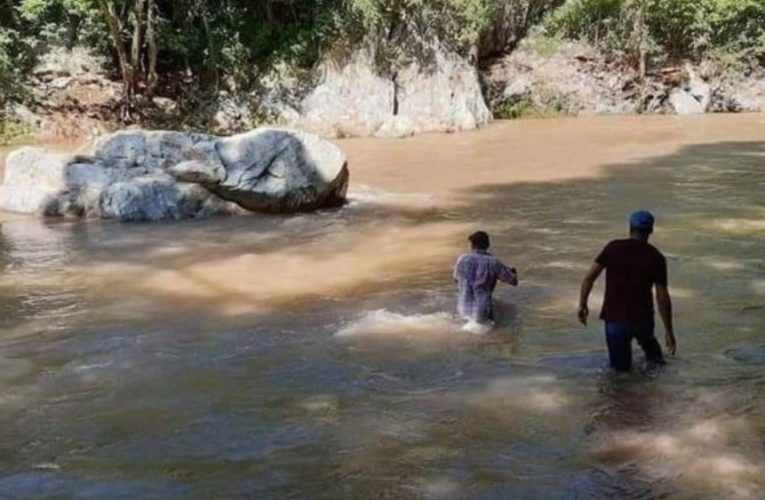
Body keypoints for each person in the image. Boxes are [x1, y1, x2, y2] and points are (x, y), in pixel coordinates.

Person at [578, 210, 677, 372]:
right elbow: (662, 297)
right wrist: (669, 331)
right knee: (656, 362)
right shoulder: (656, 257)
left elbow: (589, 278)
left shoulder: (613, 248)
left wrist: (583, 305)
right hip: (642, 320)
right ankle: (657, 394)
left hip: (614, 319)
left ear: (630, 228)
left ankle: (617, 397)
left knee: (620, 373)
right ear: (651, 230)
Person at [453, 231, 518, 325]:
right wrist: (513, 273)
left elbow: (455, 279)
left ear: (472, 245)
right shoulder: (493, 262)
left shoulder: (462, 259)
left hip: (462, 307)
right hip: (482, 311)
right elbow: (513, 282)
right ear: (488, 245)